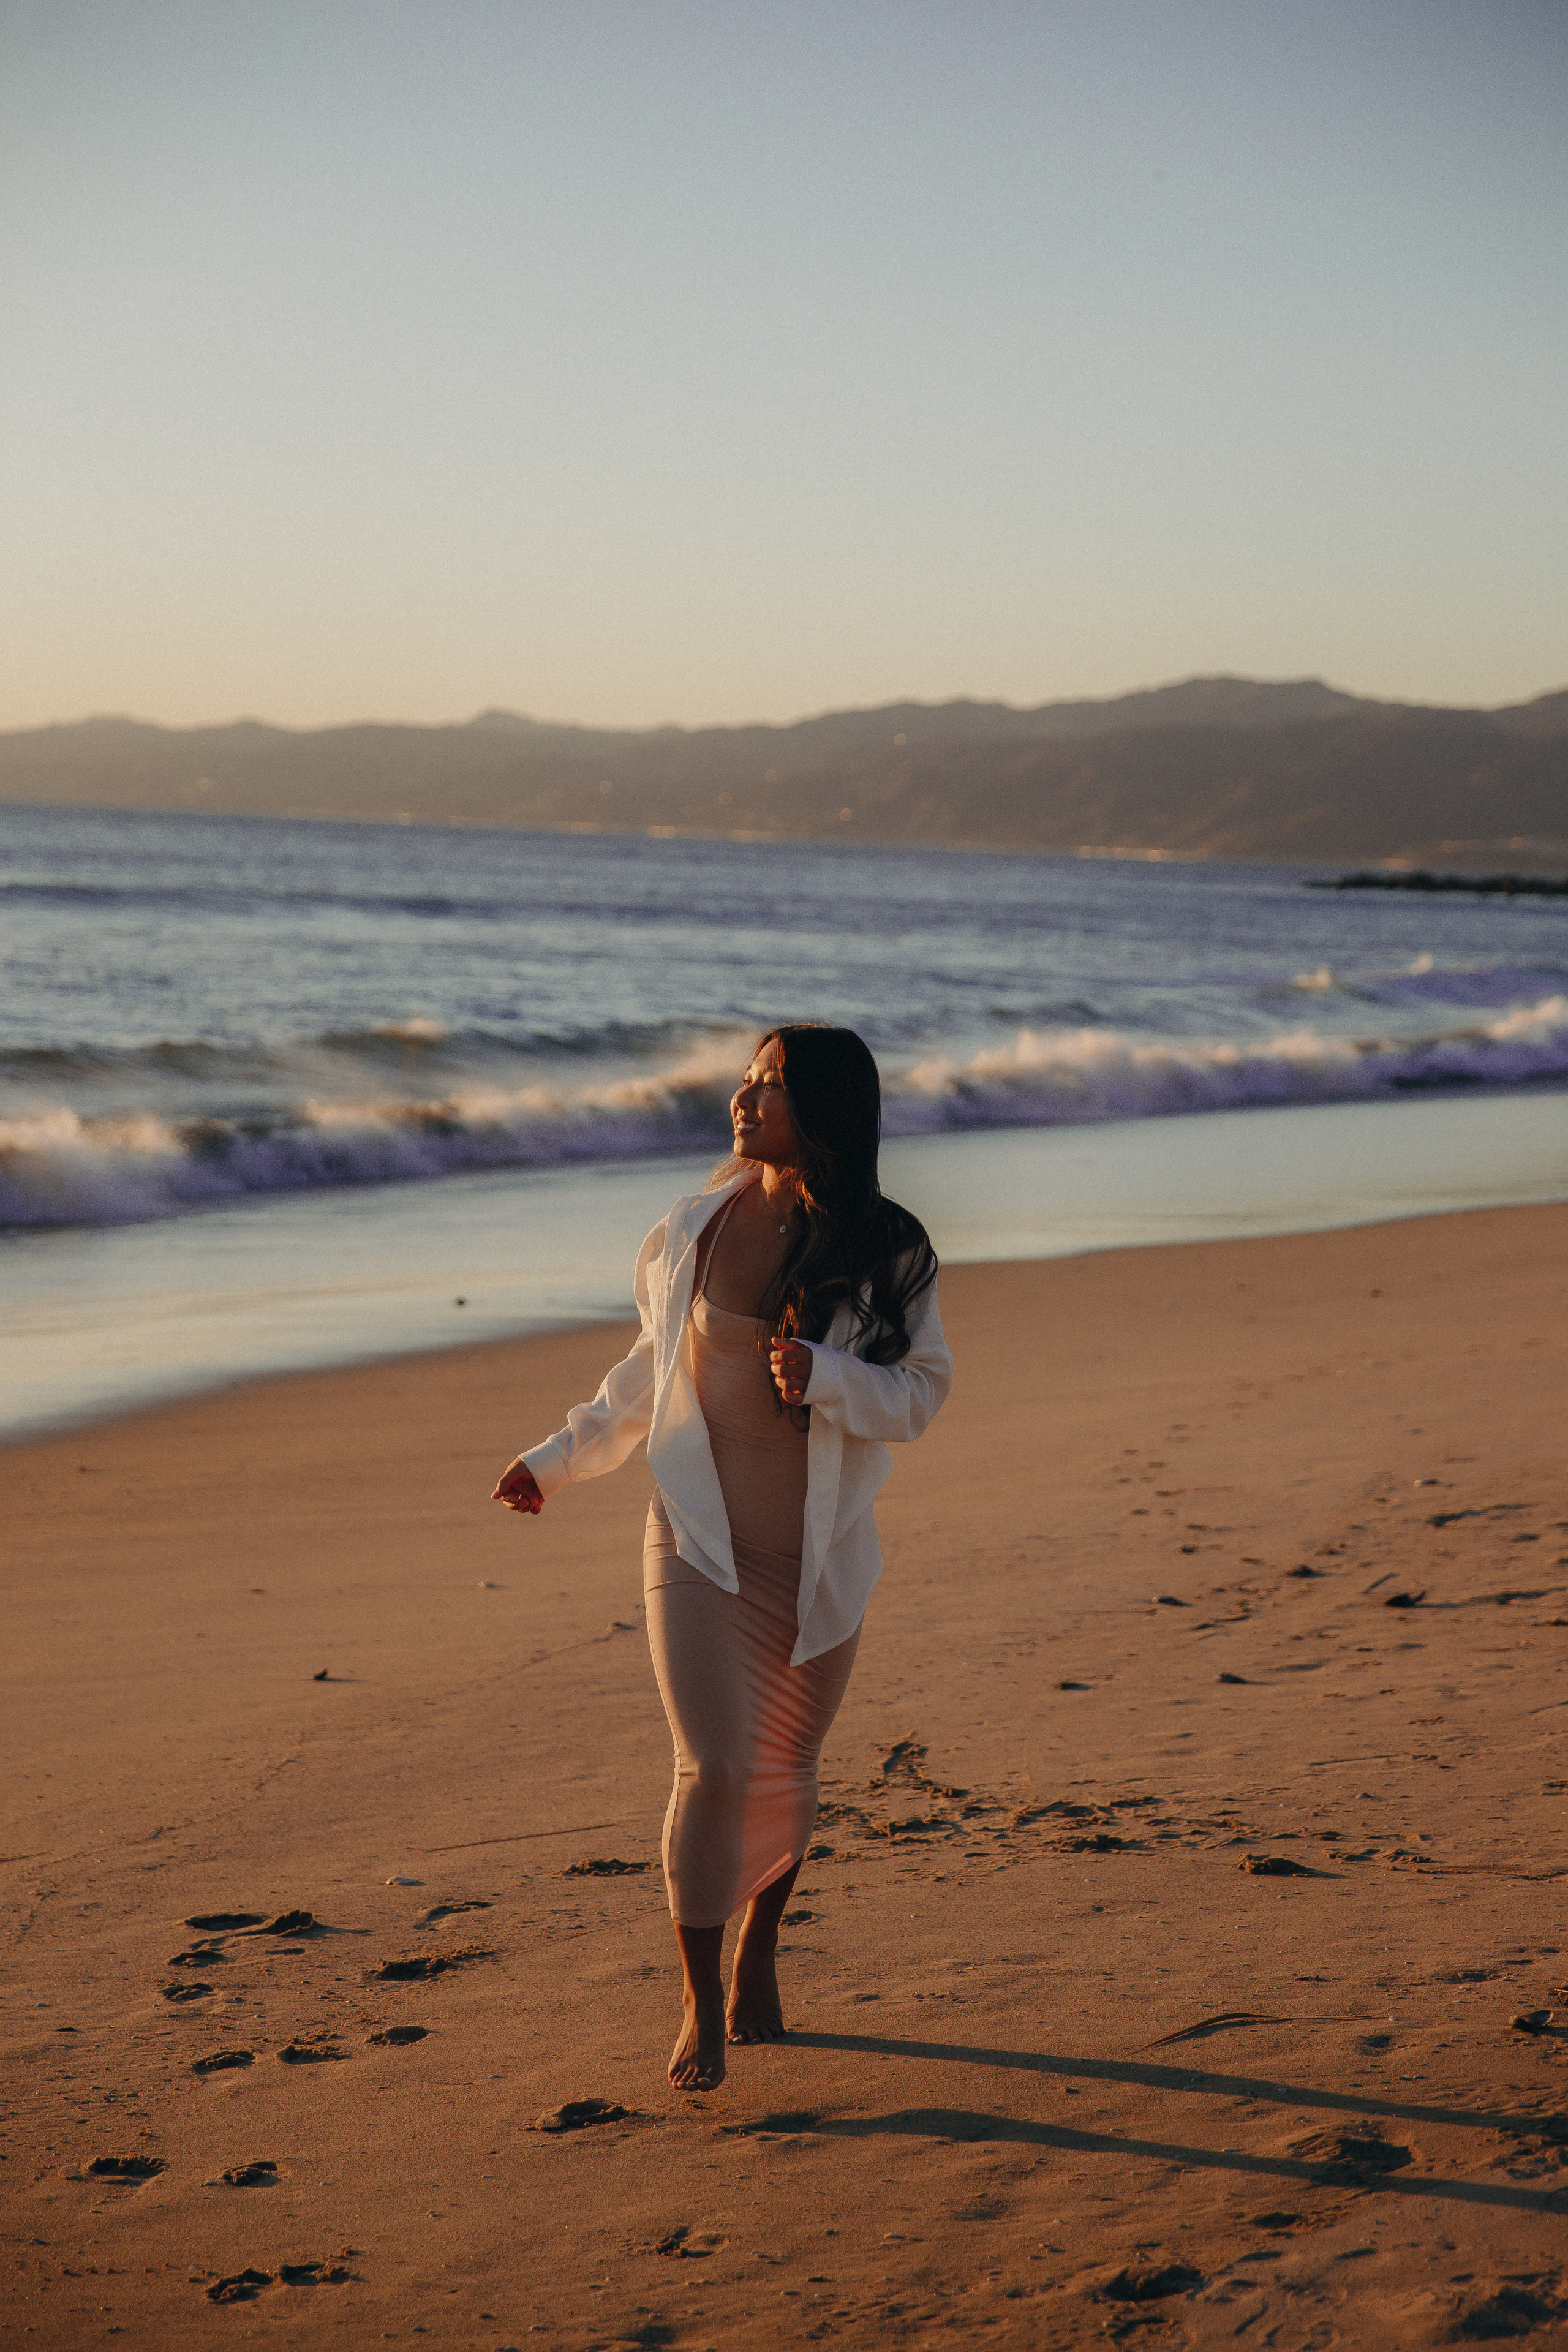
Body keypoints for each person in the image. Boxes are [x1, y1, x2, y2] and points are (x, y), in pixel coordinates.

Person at [491, 1023, 952, 2091]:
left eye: (772, 1086)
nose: (744, 1099)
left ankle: (760, 1955)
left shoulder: (890, 1249)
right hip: (696, 1542)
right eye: (747, 1078)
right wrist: (556, 1461)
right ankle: (699, 2006)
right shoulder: (697, 1223)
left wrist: (828, 1374)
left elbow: (923, 1393)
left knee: (786, 1773)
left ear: (826, 1113)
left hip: (817, 1559)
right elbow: (648, 1370)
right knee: (714, 1768)